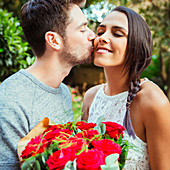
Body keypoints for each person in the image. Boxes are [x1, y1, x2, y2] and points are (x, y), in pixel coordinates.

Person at [0, 0, 95, 169]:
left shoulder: (63, 91)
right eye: (83, 29)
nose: (92, 36)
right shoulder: (10, 99)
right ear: (54, 40)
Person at [82, 6, 170, 170]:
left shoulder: (152, 101)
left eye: (117, 34)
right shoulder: (90, 97)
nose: (103, 38)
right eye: (100, 32)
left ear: (136, 46)